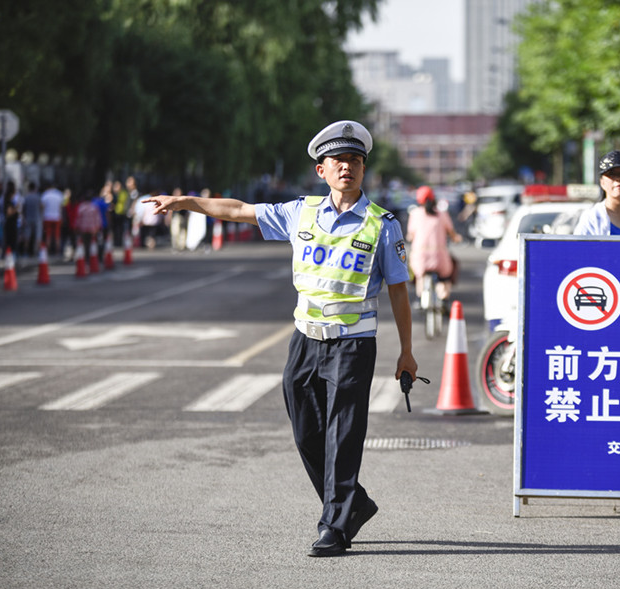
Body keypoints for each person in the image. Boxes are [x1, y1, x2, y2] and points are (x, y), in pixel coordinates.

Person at [143, 120, 417, 558]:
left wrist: (406, 351)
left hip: (353, 343)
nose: (347, 167)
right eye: (338, 161)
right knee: (307, 433)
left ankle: (335, 525)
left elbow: (399, 290)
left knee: (343, 437)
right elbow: (238, 210)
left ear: (364, 169)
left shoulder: (382, 225)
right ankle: (354, 503)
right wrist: (186, 202)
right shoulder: (300, 212)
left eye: (355, 160)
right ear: (321, 171)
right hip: (304, 340)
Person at [406, 185, 462, 307]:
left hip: (420, 257)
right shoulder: (442, 214)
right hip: (440, 257)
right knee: (445, 277)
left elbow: (410, 235)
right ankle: (444, 300)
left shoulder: (415, 214)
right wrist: (456, 238)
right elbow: (452, 233)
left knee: (419, 277)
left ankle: (419, 298)